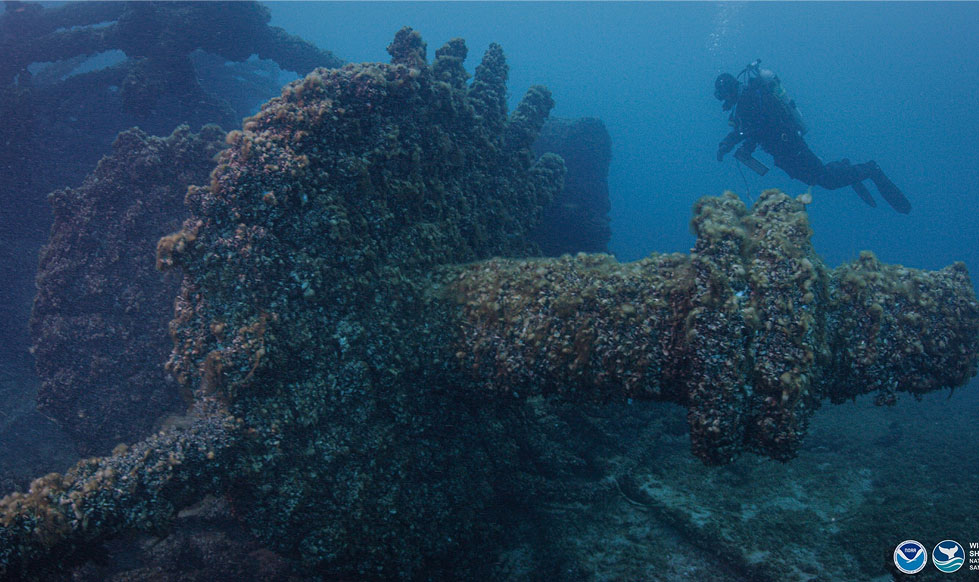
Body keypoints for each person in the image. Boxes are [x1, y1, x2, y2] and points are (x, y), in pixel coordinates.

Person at [714, 61, 910, 213]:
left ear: (730, 89)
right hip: (783, 154)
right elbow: (750, 130)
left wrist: (739, 143)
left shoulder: (752, 97)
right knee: (817, 178)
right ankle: (845, 166)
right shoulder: (744, 105)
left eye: (724, 95)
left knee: (827, 180)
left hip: (791, 146)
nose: (724, 101)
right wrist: (735, 145)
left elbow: (765, 124)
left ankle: (871, 170)